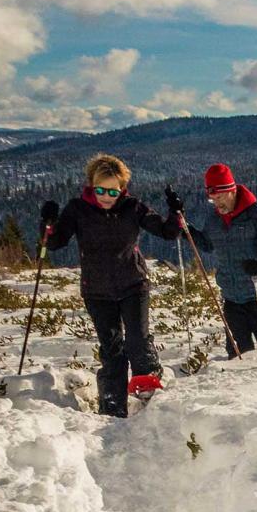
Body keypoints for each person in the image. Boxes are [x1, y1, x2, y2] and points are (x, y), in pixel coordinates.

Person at [40, 153, 180, 416]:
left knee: (137, 340)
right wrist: (47, 223)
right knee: (112, 347)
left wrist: (175, 212)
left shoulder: (132, 207)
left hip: (133, 284)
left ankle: (147, 388)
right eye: (100, 190)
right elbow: (55, 242)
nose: (106, 196)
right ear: (91, 186)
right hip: (97, 290)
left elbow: (167, 232)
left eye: (112, 191)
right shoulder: (77, 209)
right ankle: (112, 403)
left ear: (122, 188)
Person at [182, 163, 257, 355]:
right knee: (237, 353)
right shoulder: (214, 218)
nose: (217, 203)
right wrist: (187, 230)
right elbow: (208, 244)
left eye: (221, 197)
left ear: (232, 190)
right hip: (231, 295)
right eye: (212, 199)